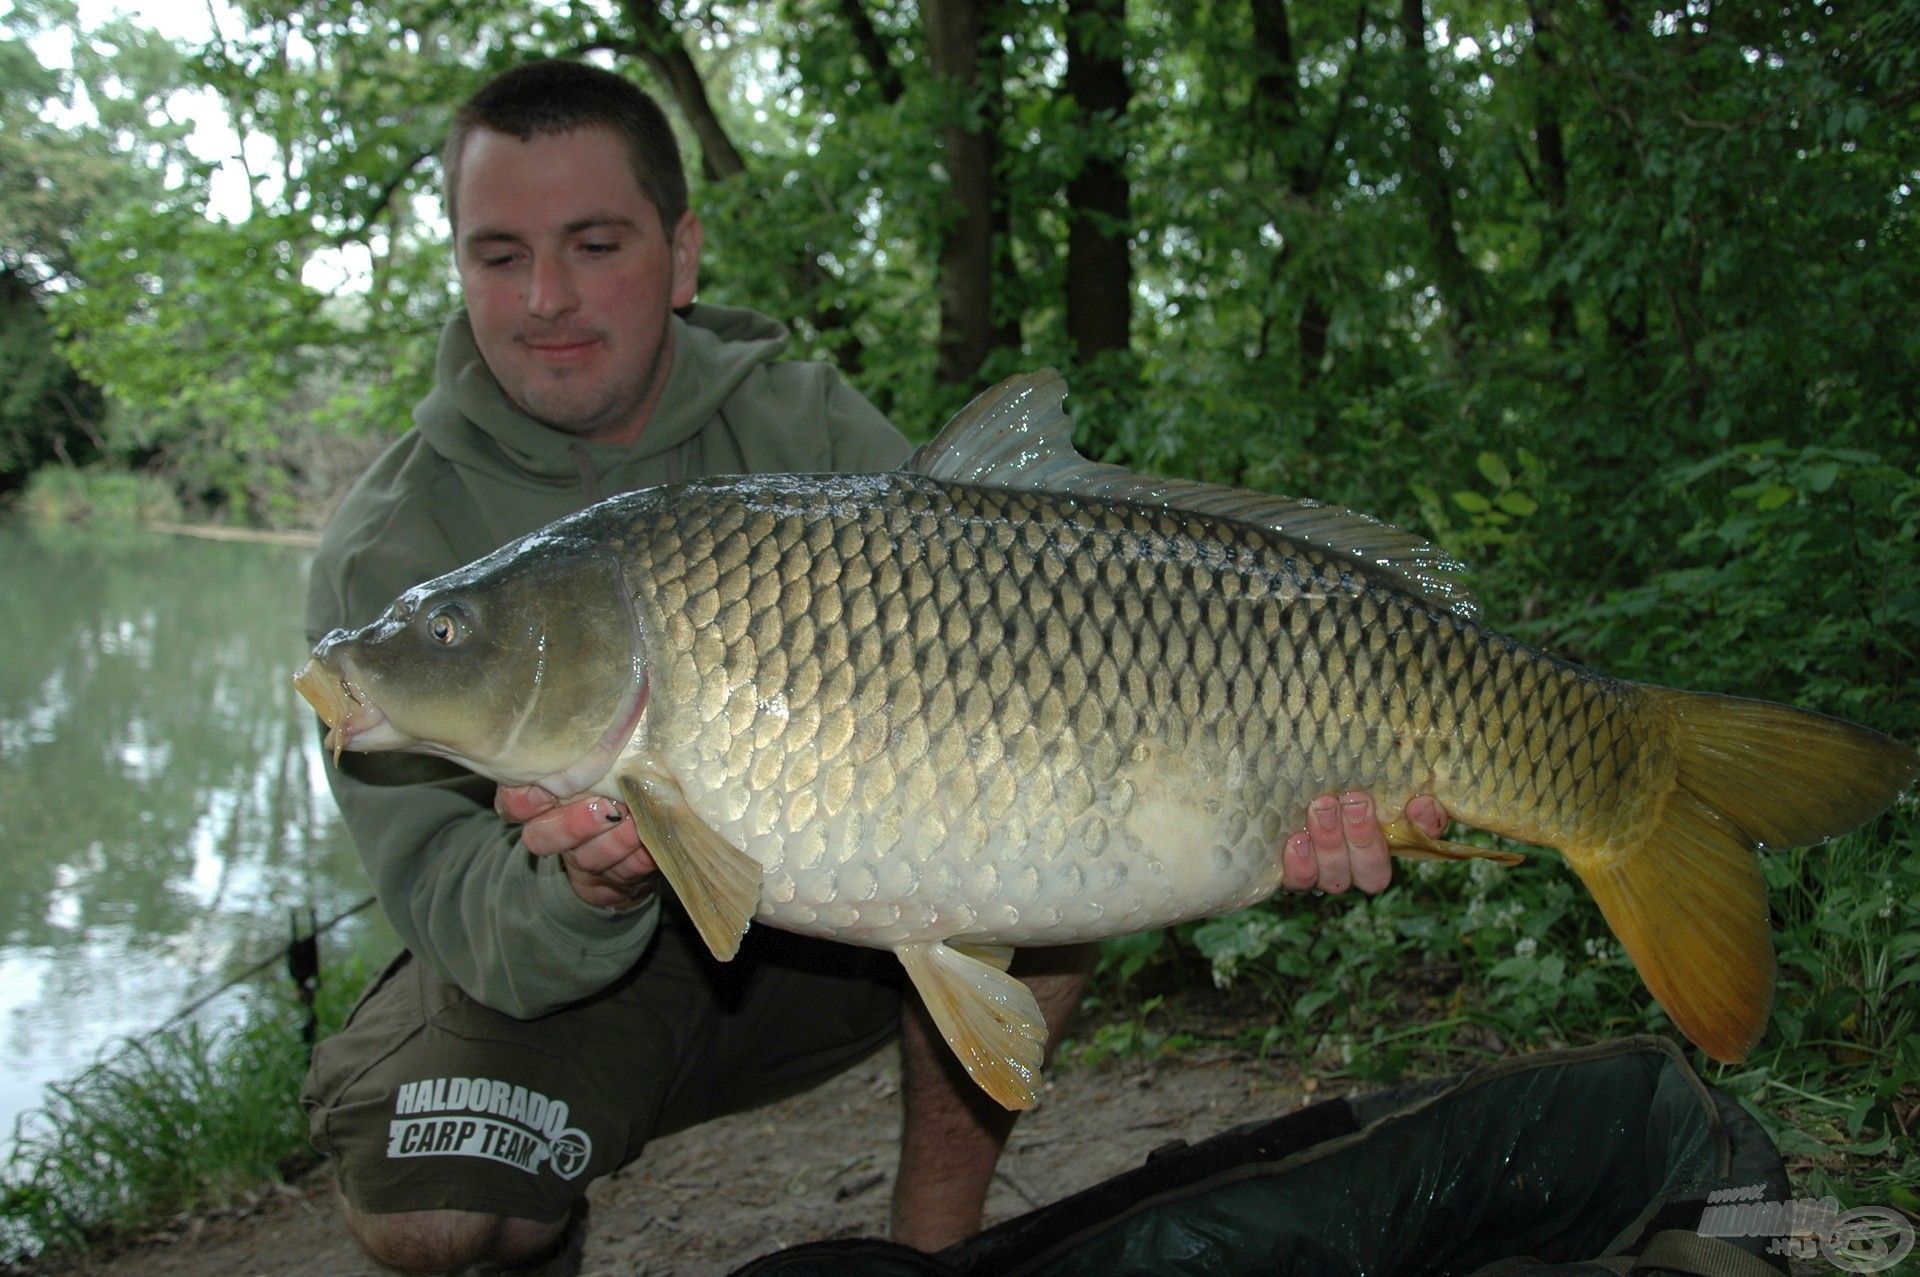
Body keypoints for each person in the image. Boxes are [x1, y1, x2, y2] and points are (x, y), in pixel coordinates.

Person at [301, 58, 1451, 1276]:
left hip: (827, 927)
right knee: (438, 1218)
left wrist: (1276, 789)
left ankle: (931, 1256)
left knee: (1040, 863)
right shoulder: (390, 544)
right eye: (498, 254)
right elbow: (457, 916)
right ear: (460, 265)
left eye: (594, 243)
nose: (547, 296)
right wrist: (586, 890)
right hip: (581, 974)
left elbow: (1030, 644)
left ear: (682, 254)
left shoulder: (807, 425)